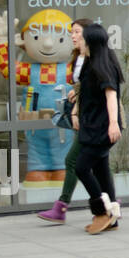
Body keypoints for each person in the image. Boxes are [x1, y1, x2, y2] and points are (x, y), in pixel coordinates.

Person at [37, 18, 94, 224]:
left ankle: (62, 207)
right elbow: (82, 86)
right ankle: (110, 202)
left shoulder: (94, 58)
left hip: (93, 118)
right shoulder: (79, 57)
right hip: (88, 117)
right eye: (72, 32)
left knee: (73, 161)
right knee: (96, 163)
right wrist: (74, 92)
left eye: (77, 32)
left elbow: (96, 89)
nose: (73, 35)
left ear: (88, 34)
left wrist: (76, 111)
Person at [72, 22, 124, 234]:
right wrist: (75, 109)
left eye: (80, 37)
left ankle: (101, 211)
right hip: (91, 125)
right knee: (101, 171)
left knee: (81, 167)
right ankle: (112, 216)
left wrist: (113, 124)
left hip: (102, 129)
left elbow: (111, 95)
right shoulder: (88, 63)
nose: (76, 41)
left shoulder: (103, 67)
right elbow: (85, 91)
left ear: (91, 41)